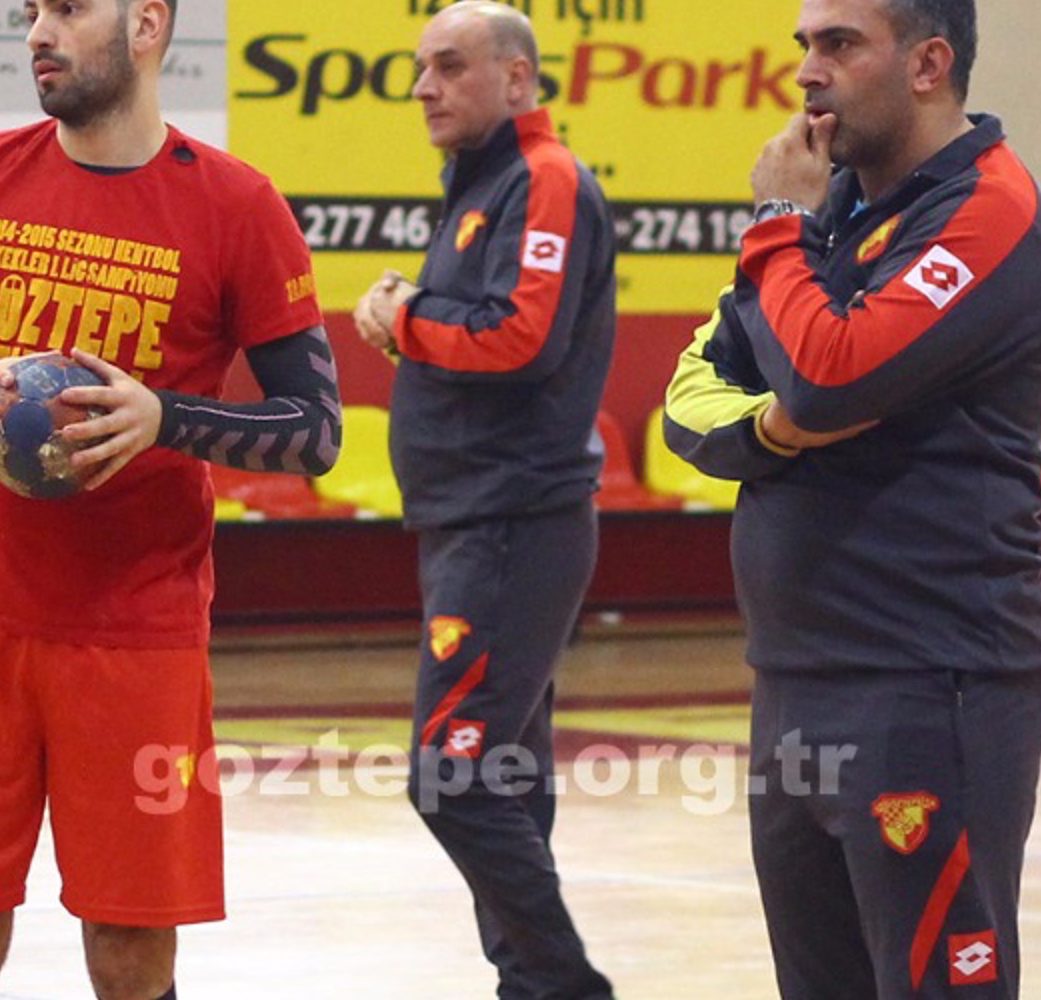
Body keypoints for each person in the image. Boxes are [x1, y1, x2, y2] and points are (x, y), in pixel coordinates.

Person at [0, 0, 341, 997]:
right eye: (31, 11)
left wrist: (165, 417)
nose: (38, 31)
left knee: (129, 952)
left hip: (137, 635)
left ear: (146, 24)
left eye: (67, 9)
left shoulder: (237, 205)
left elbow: (314, 430)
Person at [663, 0, 1041, 996]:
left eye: (839, 44)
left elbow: (826, 377)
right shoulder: (831, 210)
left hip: (929, 685)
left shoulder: (988, 212)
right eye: (805, 45)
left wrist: (775, 230)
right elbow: (689, 392)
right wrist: (771, 432)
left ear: (928, 63)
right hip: (792, 682)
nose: (807, 70)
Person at [352, 3, 616, 997]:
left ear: (516, 79)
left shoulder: (545, 177)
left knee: (452, 777)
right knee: (501, 776)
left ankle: (563, 985)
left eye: (450, 66)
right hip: (475, 520)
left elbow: (518, 337)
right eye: (419, 68)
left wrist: (407, 315)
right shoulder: (483, 183)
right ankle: (531, 986)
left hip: (513, 523)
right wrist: (413, 317)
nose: (425, 86)